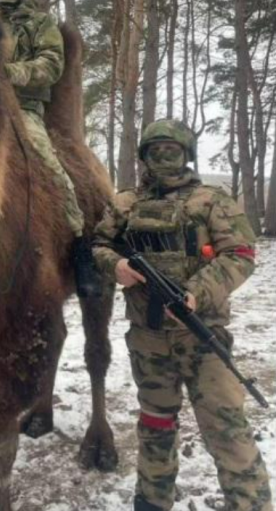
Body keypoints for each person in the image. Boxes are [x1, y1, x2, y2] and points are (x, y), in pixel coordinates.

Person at [92, 119, 272, 511]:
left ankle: (250, 502)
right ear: (143, 156)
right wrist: (116, 266)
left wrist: (196, 293)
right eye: (154, 150)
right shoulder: (125, 203)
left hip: (202, 335)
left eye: (170, 149)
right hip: (148, 338)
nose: (162, 157)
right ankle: (153, 500)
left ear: (186, 153)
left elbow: (240, 256)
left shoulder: (212, 201)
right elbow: (98, 244)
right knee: (155, 424)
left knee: (226, 428)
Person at [0, 0, 100, 298]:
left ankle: (81, 247)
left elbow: (51, 65)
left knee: (53, 169)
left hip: (23, 110)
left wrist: (11, 73)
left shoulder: (40, 24)